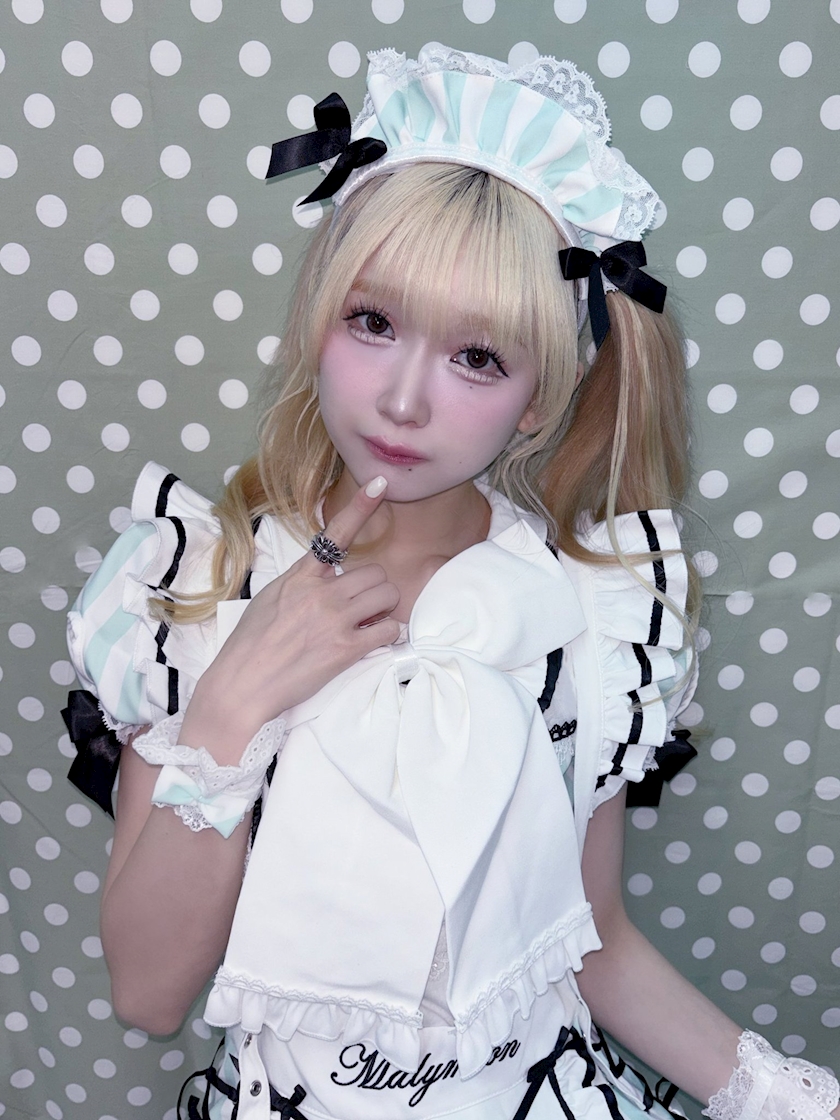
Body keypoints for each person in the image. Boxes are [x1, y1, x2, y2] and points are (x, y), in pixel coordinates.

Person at [63, 42, 839, 1120]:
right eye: (373, 322)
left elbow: (595, 942)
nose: (404, 400)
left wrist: (784, 1098)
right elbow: (148, 995)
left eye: (478, 357)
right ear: (319, 320)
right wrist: (236, 699)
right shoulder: (202, 583)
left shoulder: (595, 612)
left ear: (538, 399)